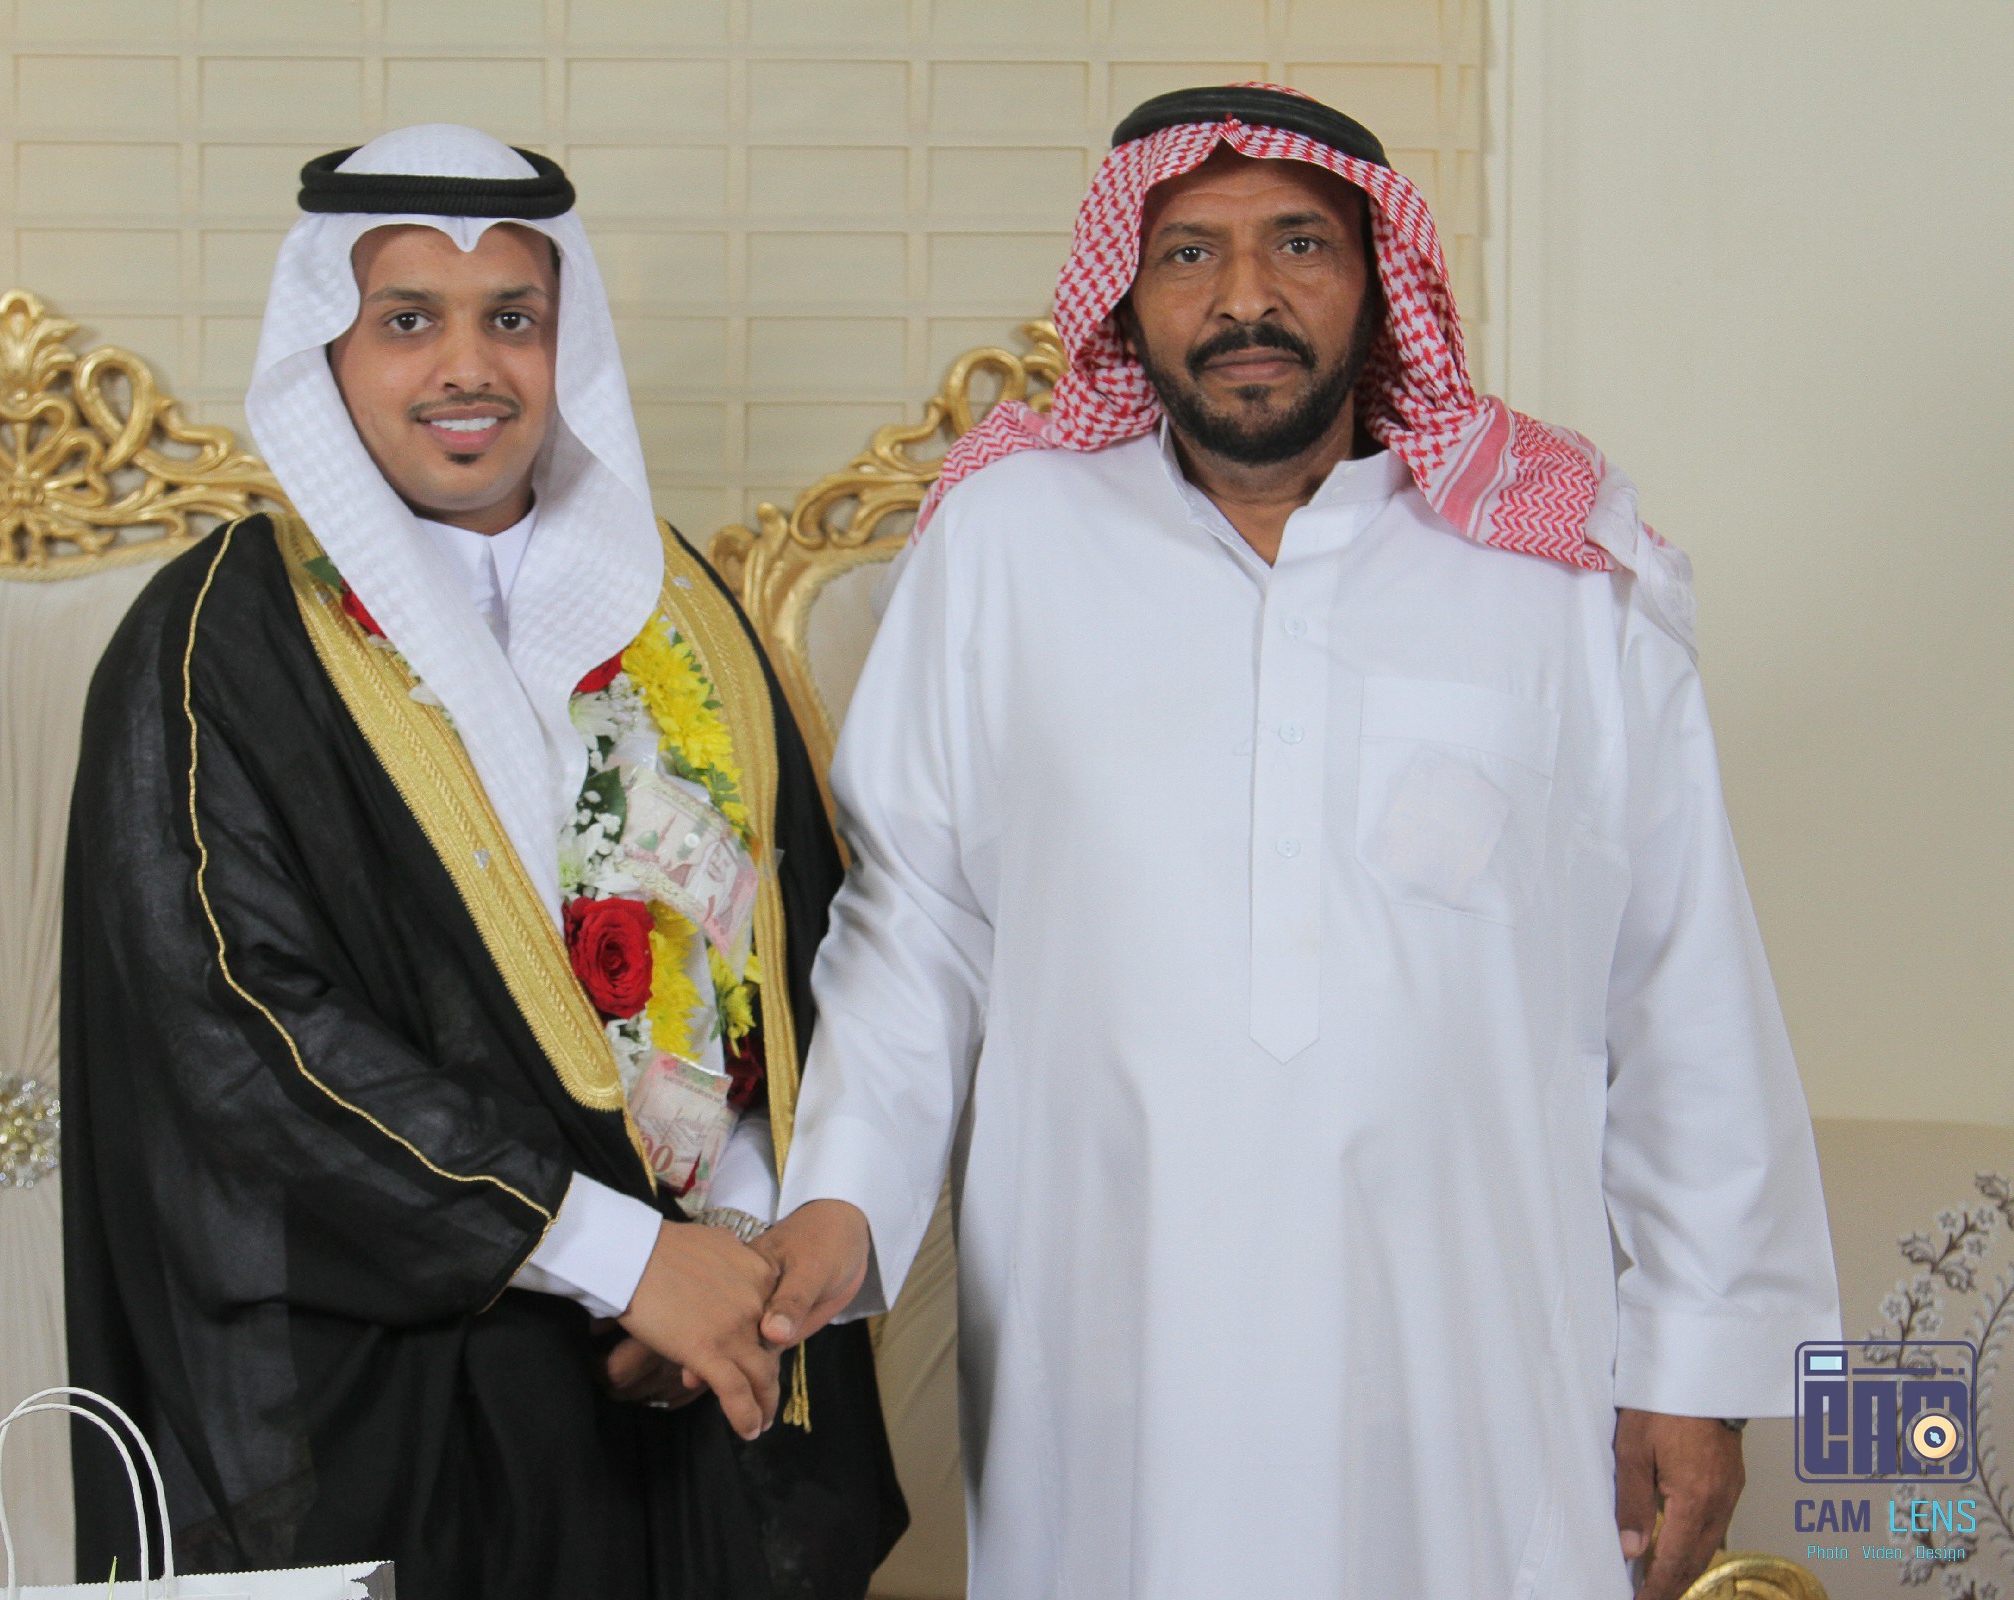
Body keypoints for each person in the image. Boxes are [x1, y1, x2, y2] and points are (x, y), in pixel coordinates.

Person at [753, 84, 1840, 1600]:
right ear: (1126, 292)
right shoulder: (1008, 543)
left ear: (1382, 282)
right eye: (1189, 252)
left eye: (1300, 244)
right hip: (1107, 1350)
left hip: (1475, 1360)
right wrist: (842, 1195)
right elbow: (916, 920)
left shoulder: (1562, 576)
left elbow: (1679, 975)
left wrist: (1699, 1368)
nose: (1244, 298)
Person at [59, 123, 902, 1598]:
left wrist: (733, 1255)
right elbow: (237, 1034)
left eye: (513, 317)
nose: (469, 367)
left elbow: (789, 955)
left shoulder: (681, 611)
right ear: (328, 350)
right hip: (404, 1407)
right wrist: (621, 1256)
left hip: (698, 1377)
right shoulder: (217, 640)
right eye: (408, 321)